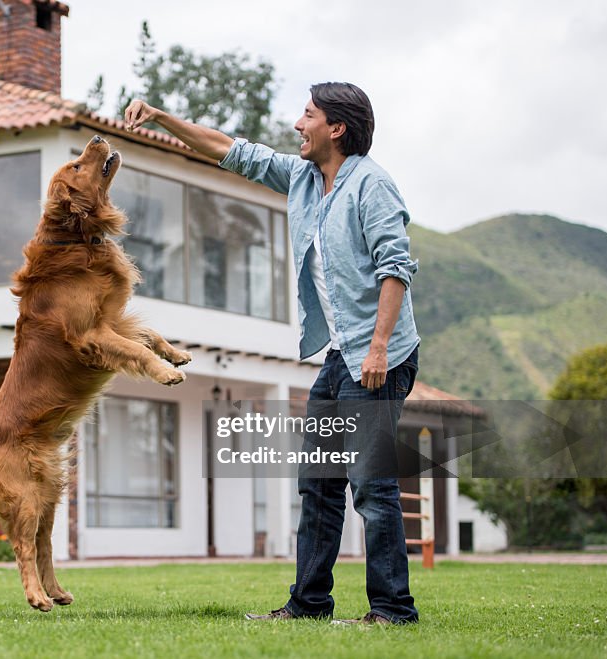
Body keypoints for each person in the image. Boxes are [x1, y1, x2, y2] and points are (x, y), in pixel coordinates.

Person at [124, 83, 421, 625]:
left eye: (307, 115)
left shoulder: (372, 186)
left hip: (379, 356)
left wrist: (378, 348)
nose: (295, 124)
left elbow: (395, 269)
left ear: (337, 128)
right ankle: (309, 605)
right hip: (341, 355)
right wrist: (162, 117)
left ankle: (393, 610)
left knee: (371, 487)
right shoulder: (304, 178)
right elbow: (229, 150)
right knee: (318, 485)